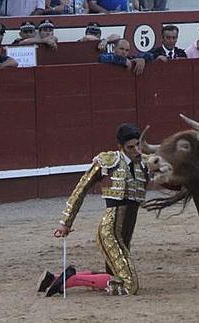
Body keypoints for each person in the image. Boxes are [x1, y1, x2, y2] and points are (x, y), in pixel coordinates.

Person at [39, 123, 149, 297]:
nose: (136, 150)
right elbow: (81, 188)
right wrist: (65, 222)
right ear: (121, 147)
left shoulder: (144, 164)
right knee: (130, 286)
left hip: (127, 231)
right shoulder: (109, 161)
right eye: (131, 147)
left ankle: (55, 279)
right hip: (109, 232)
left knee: (116, 276)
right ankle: (70, 281)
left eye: (138, 145)